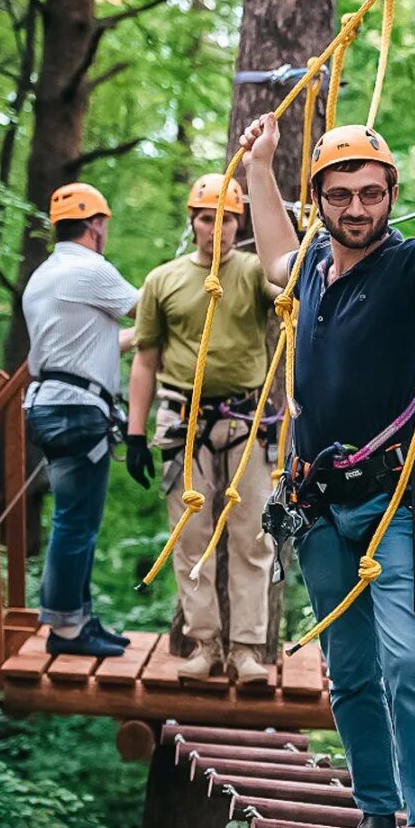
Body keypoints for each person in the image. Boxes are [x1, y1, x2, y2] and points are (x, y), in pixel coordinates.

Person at [238, 78, 415, 828]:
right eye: (341, 195)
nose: (357, 208)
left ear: (392, 195)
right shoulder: (314, 271)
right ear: (319, 200)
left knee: (410, 664)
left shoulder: (413, 267)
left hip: (392, 502)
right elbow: (272, 263)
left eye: (372, 193)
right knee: (349, 675)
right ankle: (378, 816)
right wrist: (260, 171)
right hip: (317, 506)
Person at [126, 173, 278, 683]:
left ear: (240, 224)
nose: (218, 228)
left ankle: (247, 650)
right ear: (193, 222)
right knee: (191, 537)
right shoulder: (162, 281)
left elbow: (291, 286)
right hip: (182, 419)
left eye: (228, 218)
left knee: (252, 536)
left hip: (245, 420)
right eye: (208, 218)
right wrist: (133, 432)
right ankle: (205, 645)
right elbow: (145, 360)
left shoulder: (255, 273)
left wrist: (294, 232)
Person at [22, 182, 139, 657]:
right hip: (75, 411)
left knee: (77, 520)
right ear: (95, 225)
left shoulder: (44, 277)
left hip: (50, 402)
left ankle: (79, 618)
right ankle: (67, 629)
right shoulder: (91, 269)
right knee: (75, 522)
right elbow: (152, 310)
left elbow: (95, 345)